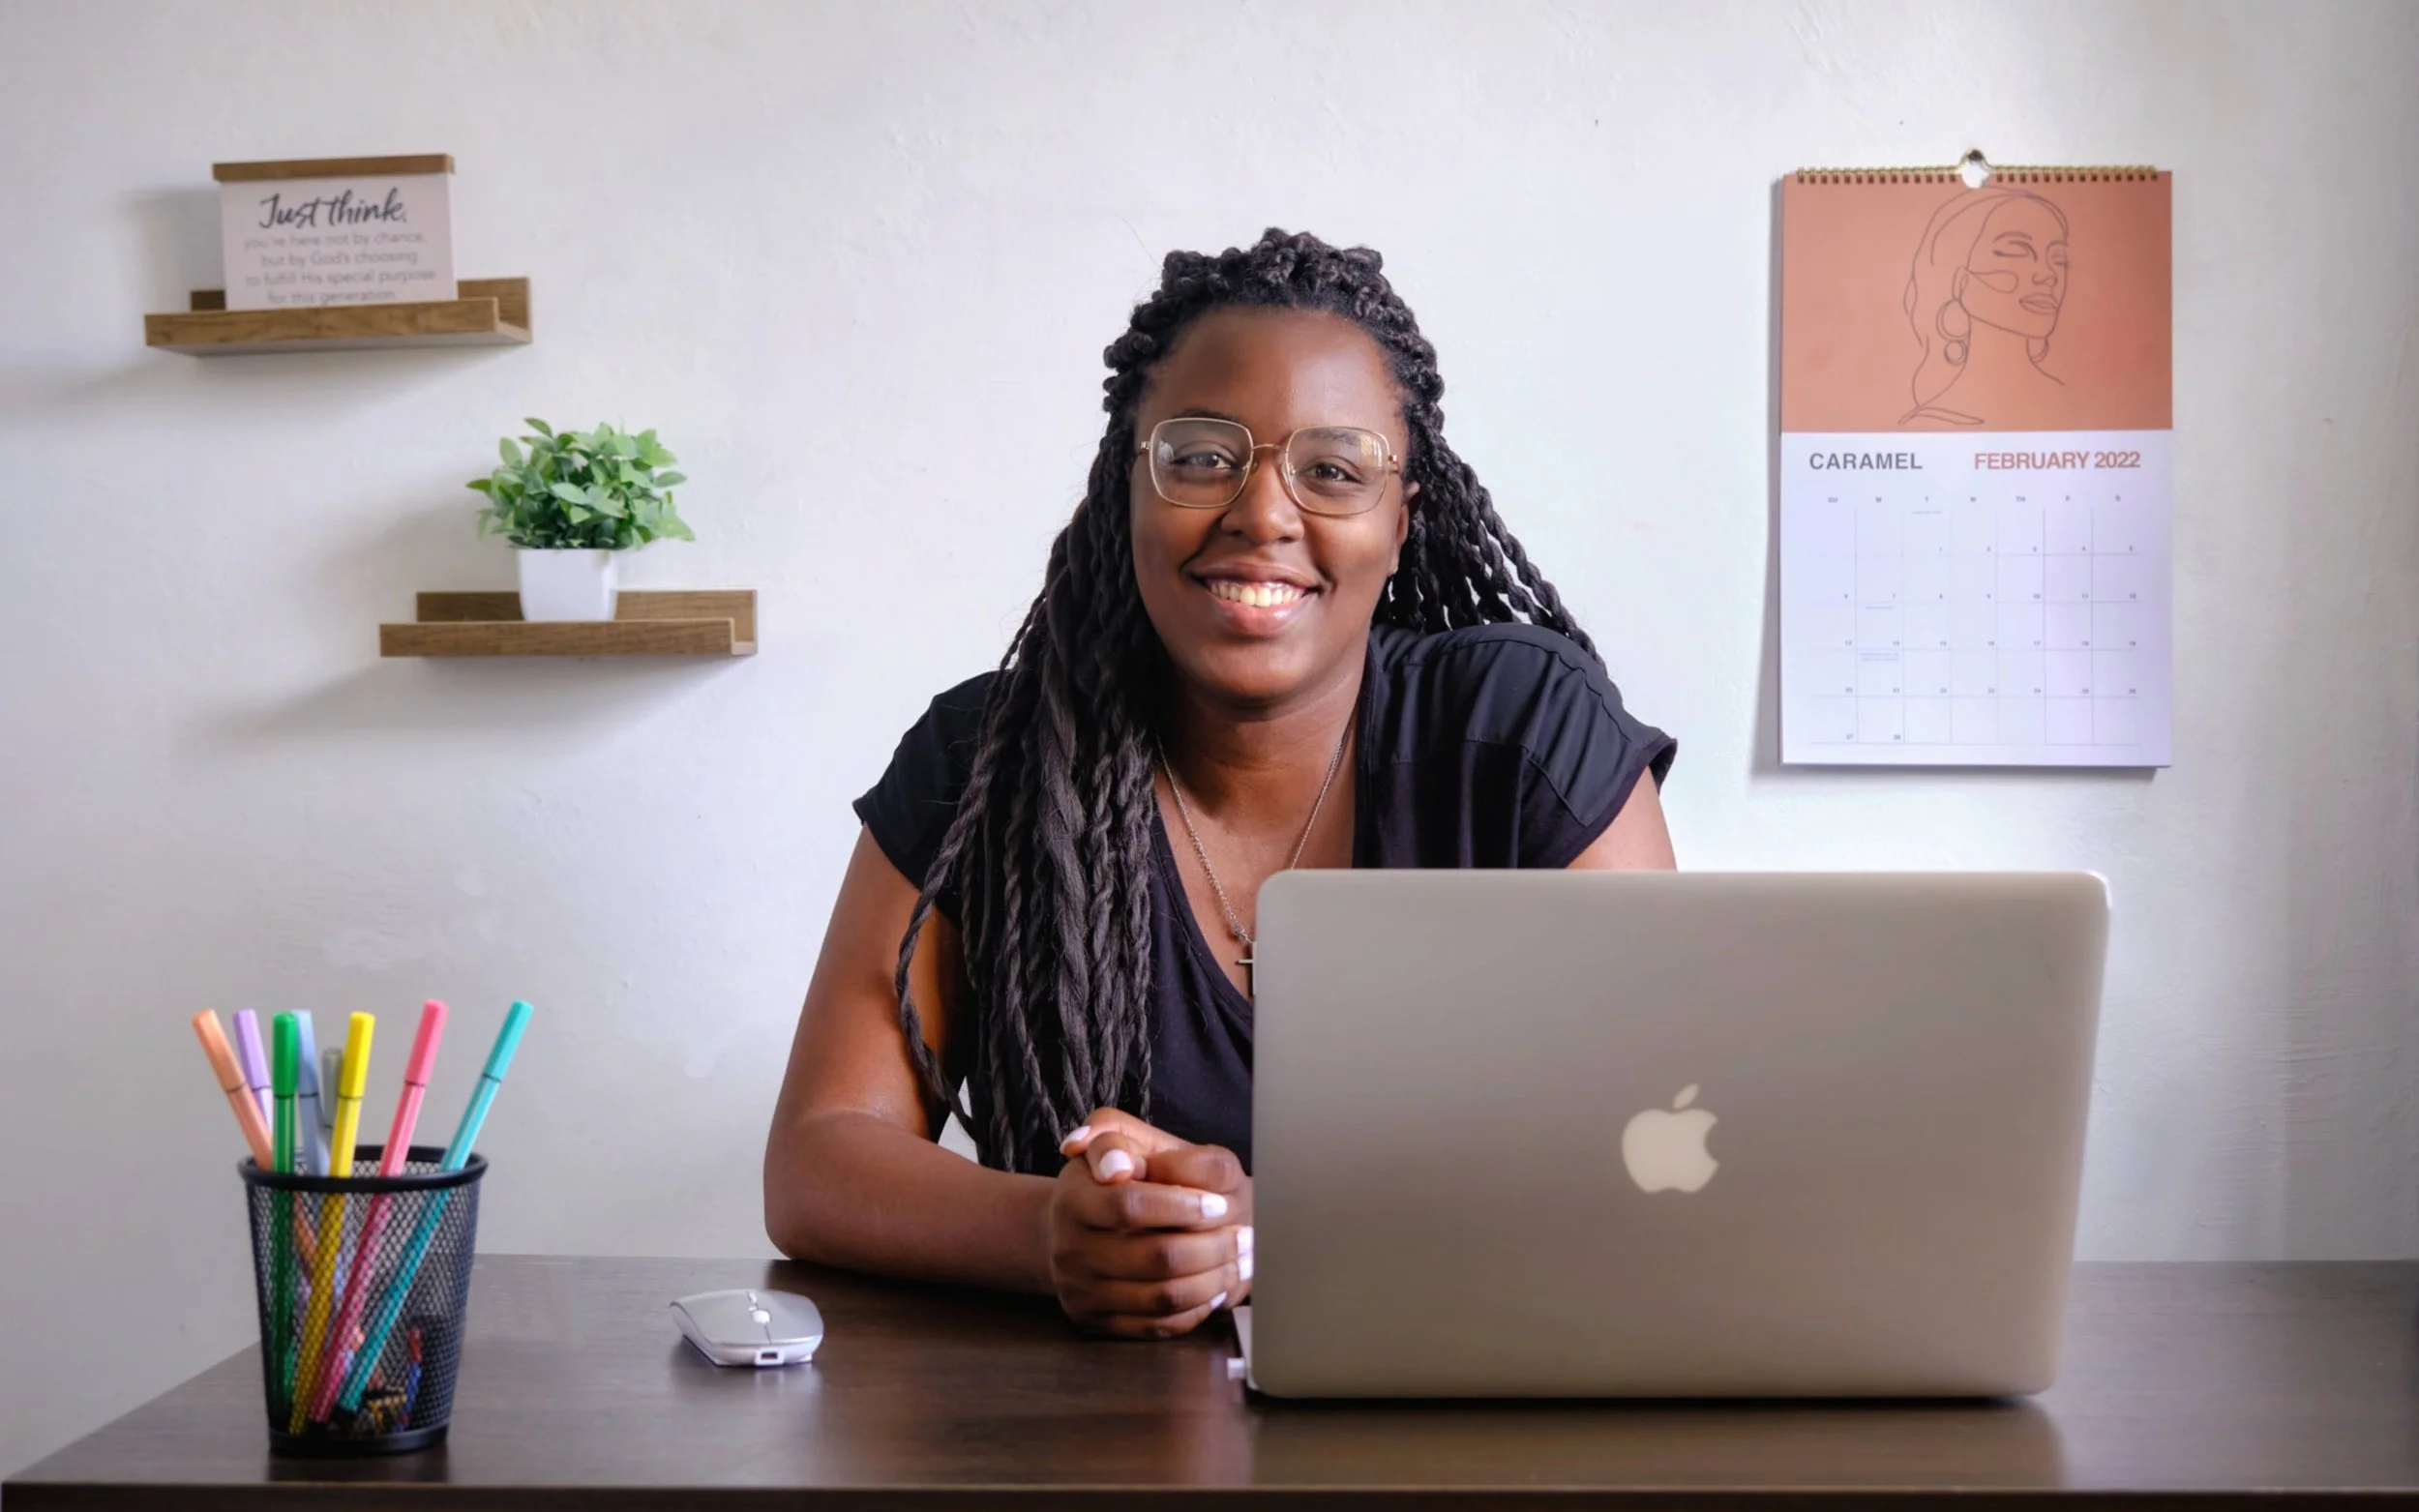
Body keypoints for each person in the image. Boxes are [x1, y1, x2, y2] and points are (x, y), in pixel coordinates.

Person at [764, 229, 1677, 1339]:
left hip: (1467, 1409)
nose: (1262, 513)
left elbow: (1658, 1143)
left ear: (1403, 520)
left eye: (1333, 470)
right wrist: (1048, 1234)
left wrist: (1268, 1241)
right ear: (1128, 489)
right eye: (1200, 457)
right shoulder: (987, 761)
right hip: (1080, 1427)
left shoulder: (1524, 734)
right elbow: (818, 1159)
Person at [1899, 188, 2072, 427]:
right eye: (2017, 252)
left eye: (2059, 260)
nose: (2048, 275)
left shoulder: (2071, 403)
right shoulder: (1929, 424)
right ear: (1961, 281)